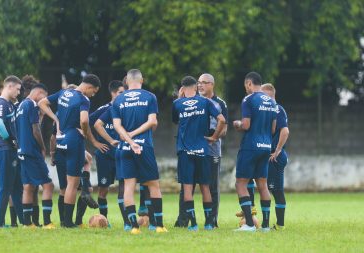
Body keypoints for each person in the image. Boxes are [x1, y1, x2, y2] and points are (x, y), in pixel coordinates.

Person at [39, 74, 107, 228]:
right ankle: (69, 222)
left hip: (60, 141)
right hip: (74, 141)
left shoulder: (64, 93)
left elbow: (42, 103)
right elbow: (84, 120)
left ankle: (63, 220)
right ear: (89, 87)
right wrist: (84, 132)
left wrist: (56, 120)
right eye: (94, 91)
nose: (93, 94)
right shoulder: (83, 99)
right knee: (72, 184)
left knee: (64, 187)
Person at [112, 69, 167, 234]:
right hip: (144, 146)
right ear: (142, 80)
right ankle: (159, 226)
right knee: (153, 185)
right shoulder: (150, 96)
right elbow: (152, 121)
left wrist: (129, 139)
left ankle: (134, 227)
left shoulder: (118, 99)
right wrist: (135, 137)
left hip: (124, 148)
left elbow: (116, 126)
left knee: (128, 186)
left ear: (127, 82)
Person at [172, 76, 226, 231]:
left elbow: (176, 121)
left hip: (184, 151)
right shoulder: (206, 102)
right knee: (205, 188)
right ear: (196, 87)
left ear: (182, 88)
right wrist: (214, 137)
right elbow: (221, 120)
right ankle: (209, 223)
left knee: (187, 189)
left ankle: (193, 224)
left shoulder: (177, 104)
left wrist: (180, 98)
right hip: (202, 151)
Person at [233, 72, 277, 232]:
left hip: (250, 146)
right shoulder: (272, 103)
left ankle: (249, 224)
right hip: (266, 147)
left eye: (246, 86)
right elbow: (273, 129)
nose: (246, 89)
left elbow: (246, 125)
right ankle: (265, 225)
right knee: (263, 185)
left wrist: (237, 123)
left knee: (241, 183)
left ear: (249, 84)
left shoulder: (248, 99)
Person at [92, 80, 137, 229]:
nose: (123, 95)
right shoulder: (104, 109)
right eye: (120, 93)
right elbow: (87, 123)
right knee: (103, 190)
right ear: (112, 93)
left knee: (124, 187)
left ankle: (127, 222)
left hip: (122, 154)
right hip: (105, 156)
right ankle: (103, 220)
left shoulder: (126, 109)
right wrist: (96, 143)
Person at [15, 83, 56, 229]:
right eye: (44, 96)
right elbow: (35, 129)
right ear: (39, 93)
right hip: (32, 151)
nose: (44, 101)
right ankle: (47, 222)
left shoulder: (20, 106)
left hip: (22, 151)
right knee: (48, 185)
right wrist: (43, 147)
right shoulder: (31, 105)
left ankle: (27, 223)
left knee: (29, 187)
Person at [0, 75, 23, 228]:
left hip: (11, 151)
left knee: (17, 187)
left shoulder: (10, 104)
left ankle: (24, 222)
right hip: (4, 150)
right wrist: (9, 138)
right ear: (9, 87)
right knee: (5, 188)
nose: (18, 92)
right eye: (17, 89)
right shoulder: (1, 103)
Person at [261, 83, 289, 230]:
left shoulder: (277, 109)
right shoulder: (268, 110)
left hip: (275, 157)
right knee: (266, 188)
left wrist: (277, 150)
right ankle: (263, 222)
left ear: (270, 96)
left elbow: (285, 131)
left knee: (276, 190)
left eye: (262, 95)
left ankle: (280, 225)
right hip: (269, 156)